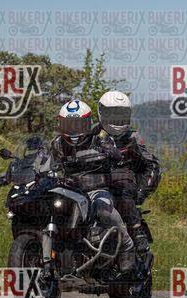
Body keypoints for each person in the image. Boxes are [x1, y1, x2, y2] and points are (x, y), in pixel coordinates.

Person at [49, 99, 136, 273]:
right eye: (68, 125)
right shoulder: (57, 143)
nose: (73, 129)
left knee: (104, 210)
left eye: (78, 125)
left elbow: (116, 154)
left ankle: (127, 246)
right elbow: (44, 161)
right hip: (67, 190)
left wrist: (110, 152)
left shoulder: (99, 139)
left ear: (87, 124)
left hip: (95, 189)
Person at [97, 90, 161, 252]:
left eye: (121, 114)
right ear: (102, 112)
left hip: (122, 188)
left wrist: (140, 193)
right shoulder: (93, 136)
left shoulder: (132, 138)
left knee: (123, 188)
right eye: (113, 114)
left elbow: (152, 166)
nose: (117, 119)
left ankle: (137, 232)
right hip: (95, 185)